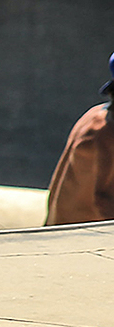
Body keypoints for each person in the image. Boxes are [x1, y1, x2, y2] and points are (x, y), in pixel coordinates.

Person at [45, 53, 114, 226]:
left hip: (62, 232)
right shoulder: (106, 133)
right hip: (80, 241)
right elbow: (106, 202)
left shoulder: (96, 114)